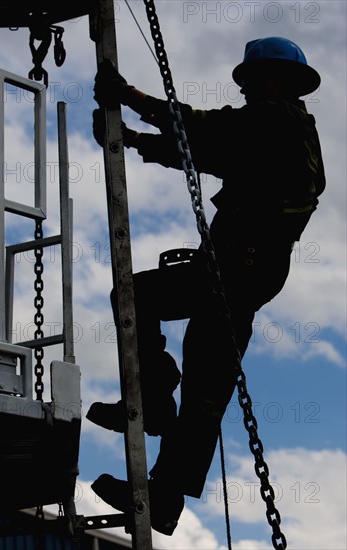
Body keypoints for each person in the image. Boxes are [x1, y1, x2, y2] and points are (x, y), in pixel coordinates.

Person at [87, 36, 326, 535]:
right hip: (251, 268)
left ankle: (153, 400)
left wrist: (126, 95)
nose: (244, 94)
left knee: (134, 296)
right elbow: (205, 152)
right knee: (206, 387)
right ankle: (165, 498)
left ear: (272, 83)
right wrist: (131, 140)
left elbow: (201, 129)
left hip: (240, 265)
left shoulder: (272, 120)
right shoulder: (283, 133)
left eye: (252, 84)